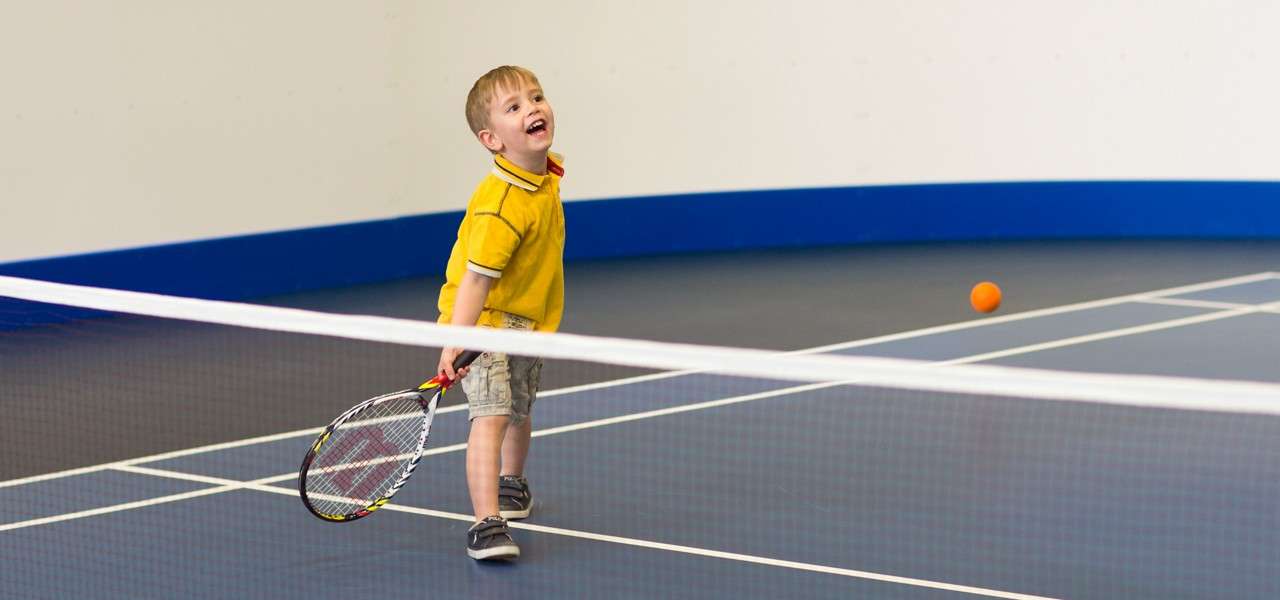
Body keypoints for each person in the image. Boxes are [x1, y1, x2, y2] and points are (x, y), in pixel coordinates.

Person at [436, 65, 565, 561]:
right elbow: (476, 279)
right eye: (514, 107)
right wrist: (456, 339)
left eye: (536, 97)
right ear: (492, 139)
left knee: (519, 410)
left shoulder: (545, 172)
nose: (533, 108)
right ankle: (485, 522)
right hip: (484, 320)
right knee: (490, 416)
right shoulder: (502, 204)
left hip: (529, 322)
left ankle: (512, 486)